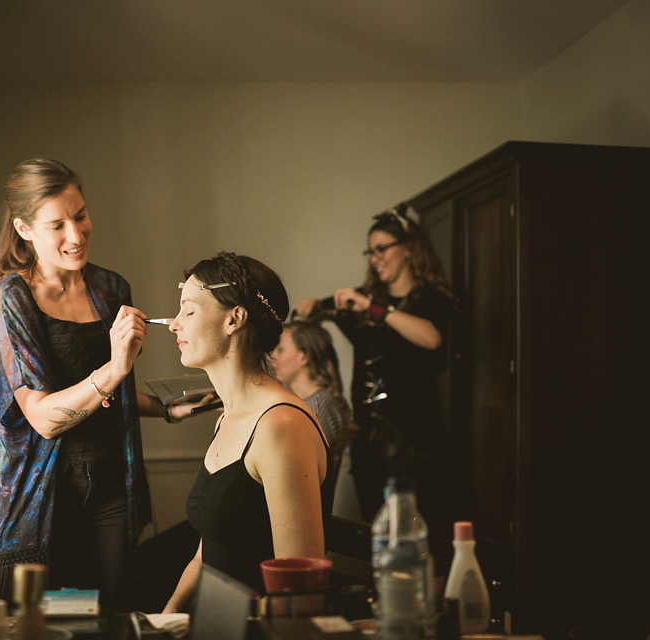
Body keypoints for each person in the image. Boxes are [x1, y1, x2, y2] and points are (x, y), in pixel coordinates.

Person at [0, 159, 204, 609]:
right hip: (40, 499)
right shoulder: (12, 299)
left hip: (112, 487)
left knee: (114, 612)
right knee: (48, 624)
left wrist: (163, 408)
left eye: (80, 215)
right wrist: (114, 369)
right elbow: (44, 418)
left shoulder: (110, 288)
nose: (76, 235)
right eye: (57, 224)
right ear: (24, 230)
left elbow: (108, 397)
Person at [162, 252, 334, 612]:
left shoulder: (280, 426)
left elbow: (298, 593)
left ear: (234, 319)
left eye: (188, 311)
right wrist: (164, 618)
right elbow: (206, 554)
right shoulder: (227, 418)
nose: (174, 324)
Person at [294, 205, 456, 569]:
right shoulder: (364, 306)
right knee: (378, 541)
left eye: (383, 247)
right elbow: (324, 308)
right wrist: (316, 307)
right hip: (370, 444)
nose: (376, 257)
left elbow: (432, 339)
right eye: (372, 250)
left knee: (424, 544)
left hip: (416, 444)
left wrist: (374, 307)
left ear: (410, 247)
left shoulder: (430, 300)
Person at [269, 320, 361, 521]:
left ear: (304, 356)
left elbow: (304, 476)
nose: (272, 356)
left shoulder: (321, 406)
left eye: (280, 350)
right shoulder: (301, 404)